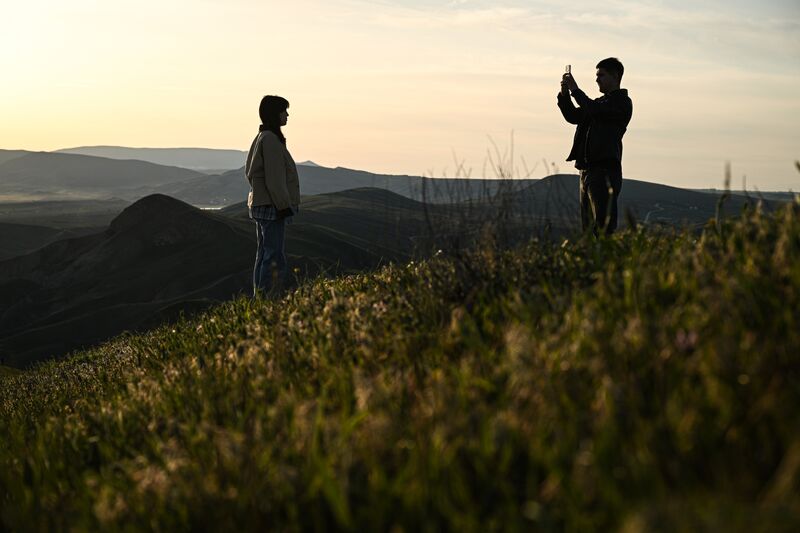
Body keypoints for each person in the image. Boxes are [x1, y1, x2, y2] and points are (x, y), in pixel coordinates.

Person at [558, 58, 633, 235]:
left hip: (604, 172)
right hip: (587, 172)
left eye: (601, 75)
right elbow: (573, 116)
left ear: (615, 76)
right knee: (588, 231)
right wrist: (565, 95)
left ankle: (606, 262)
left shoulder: (622, 102)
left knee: (602, 229)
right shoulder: (598, 103)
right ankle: (592, 261)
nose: (597, 79)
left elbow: (594, 110)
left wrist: (575, 90)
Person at [245, 95, 300, 296]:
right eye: (283, 111)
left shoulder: (262, 137)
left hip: (262, 204)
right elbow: (275, 179)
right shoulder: (270, 140)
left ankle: (260, 296)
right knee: (273, 255)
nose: (287, 115)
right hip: (272, 206)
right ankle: (269, 297)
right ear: (274, 114)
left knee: (264, 253)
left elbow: (250, 173)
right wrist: (284, 206)